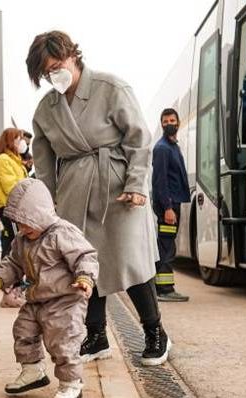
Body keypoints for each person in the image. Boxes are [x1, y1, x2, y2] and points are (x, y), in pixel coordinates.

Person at [27, 31, 172, 366]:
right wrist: (48, 206)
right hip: (74, 190)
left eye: (57, 66)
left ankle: (155, 332)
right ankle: (96, 335)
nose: (54, 75)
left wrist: (137, 184)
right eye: (47, 73)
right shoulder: (46, 109)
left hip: (119, 187)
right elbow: (44, 160)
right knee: (83, 264)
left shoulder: (111, 88)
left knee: (128, 259)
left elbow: (139, 138)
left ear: (73, 57)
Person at [0, 179, 98, 398]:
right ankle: (33, 370)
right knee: (23, 331)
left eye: (27, 223)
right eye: (19, 224)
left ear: (41, 214)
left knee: (63, 342)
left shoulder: (62, 232)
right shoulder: (22, 240)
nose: (23, 229)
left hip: (65, 300)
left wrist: (85, 277)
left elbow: (85, 255)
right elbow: (13, 263)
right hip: (36, 300)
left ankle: (70, 382)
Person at [152, 109, 190, 302]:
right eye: (165, 121)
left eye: (172, 120)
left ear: (178, 122)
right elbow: (160, 181)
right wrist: (167, 208)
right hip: (168, 205)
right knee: (166, 246)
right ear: (162, 125)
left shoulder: (173, 146)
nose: (169, 123)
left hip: (173, 203)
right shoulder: (163, 149)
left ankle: (163, 287)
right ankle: (164, 289)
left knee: (167, 244)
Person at [0, 128, 29, 258]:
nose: (21, 143)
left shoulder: (15, 161)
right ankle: (8, 277)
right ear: (10, 141)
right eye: (19, 140)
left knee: (11, 243)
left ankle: (9, 277)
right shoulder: (4, 159)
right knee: (14, 244)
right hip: (11, 208)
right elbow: (11, 187)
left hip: (17, 208)